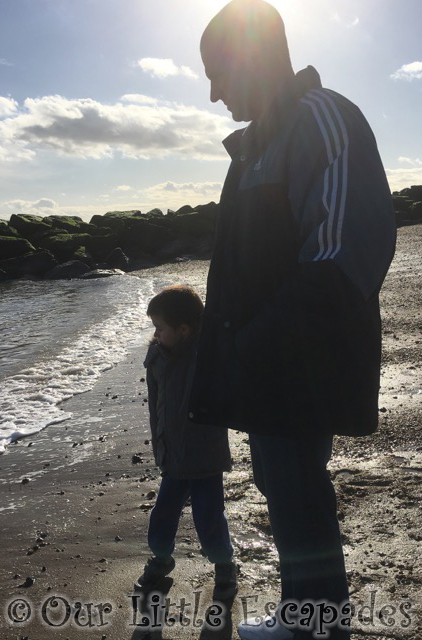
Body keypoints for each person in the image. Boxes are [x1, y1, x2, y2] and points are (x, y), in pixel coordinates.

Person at [189, 1, 396, 639]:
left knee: (299, 490)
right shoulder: (256, 146)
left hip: (300, 359)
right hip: (265, 359)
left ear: (253, 57)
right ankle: (306, 614)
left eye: (217, 72)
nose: (214, 91)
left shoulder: (322, 117)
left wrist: (254, 343)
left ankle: (313, 622)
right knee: (285, 489)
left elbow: (341, 257)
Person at [137, 284, 237, 602]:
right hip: (173, 458)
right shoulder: (157, 358)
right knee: (163, 515)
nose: (156, 334)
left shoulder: (205, 356)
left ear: (183, 330)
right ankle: (161, 559)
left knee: (209, 519)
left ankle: (224, 566)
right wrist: (160, 447)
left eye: (160, 328)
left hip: (205, 458)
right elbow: (157, 409)